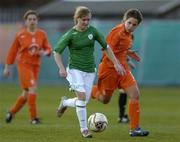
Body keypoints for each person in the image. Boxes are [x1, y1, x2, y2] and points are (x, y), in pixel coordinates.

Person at [54, 6, 124, 138]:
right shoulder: (70, 34)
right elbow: (56, 52)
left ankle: (65, 102)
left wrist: (116, 63)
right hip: (74, 70)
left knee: (83, 102)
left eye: (88, 20)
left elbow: (106, 47)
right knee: (81, 97)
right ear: (77, 19)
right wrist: (61, 68)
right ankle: (84, 129)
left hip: (90, 70)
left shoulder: (93, 31)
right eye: (84, 20)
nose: (86, 22)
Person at [91, 9, 149, 136]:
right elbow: (106, 49)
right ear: (124, 20)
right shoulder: (117, 32)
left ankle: (134, 129)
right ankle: (87, 89)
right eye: (129, 23)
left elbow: (119, 48)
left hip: (122, 70)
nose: (131, 26)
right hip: (109, 69)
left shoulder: (128, 34)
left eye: (134, 25)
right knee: (105, 99)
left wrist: (128, 52)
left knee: (135, 95)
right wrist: (116, 63)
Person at [3, 10, 52, 124]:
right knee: (33, 88)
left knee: (26, 94)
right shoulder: (20, 34)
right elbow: (12, 51)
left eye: (34, 19)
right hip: (23, 65)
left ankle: (11, 112)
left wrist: (44, 52)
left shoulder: (42, 34)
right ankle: (33, 118)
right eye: (29, 19)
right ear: (25, 21)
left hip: (35, 66)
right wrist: (7, 67)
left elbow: (48, 49)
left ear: (37, 21)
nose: (32, 21)